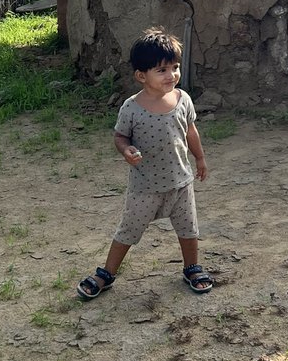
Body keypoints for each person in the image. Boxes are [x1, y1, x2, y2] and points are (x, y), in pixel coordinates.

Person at [77, 27, 213, 299]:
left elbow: (190, 131)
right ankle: (106, 273)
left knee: (189, 228)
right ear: (141, 76)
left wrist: (199, 157)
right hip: (146, 186)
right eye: (161, 70)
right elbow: (120, 136)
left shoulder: (183, 99)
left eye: (174, 67)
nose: (171, 75)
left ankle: (192, 267)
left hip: (180, 182)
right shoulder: (132, 108)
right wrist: (126, 150)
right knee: (129, 229)